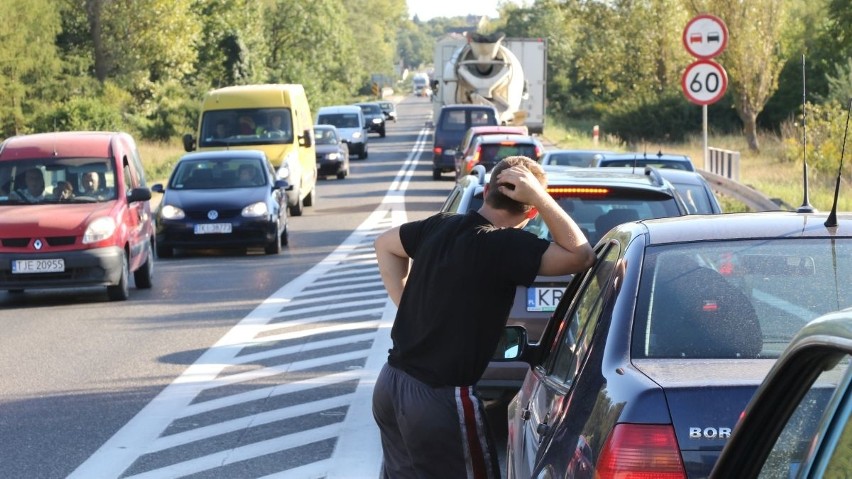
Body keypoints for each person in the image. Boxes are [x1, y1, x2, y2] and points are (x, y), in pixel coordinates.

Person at [372, 156, 595, 478]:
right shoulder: (503, 244)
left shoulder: (440, 225)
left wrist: (408, 305)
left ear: (487, 190)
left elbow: (385, 244)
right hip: (439, 396)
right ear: (531, 210)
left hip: (391, 384)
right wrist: (541, 197)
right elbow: (582, 256)